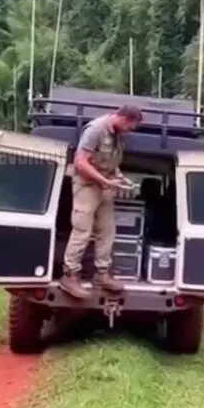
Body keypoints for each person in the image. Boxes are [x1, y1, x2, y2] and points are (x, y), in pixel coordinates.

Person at [59, 104, 143, 299]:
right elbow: (80, 163)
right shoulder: (95, 130)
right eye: (131, 127)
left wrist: (120, 178)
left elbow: (111, 162)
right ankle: (69, 276)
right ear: (124, 119)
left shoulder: (117, 136)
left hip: (105, 186)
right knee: (82, 230)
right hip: (87, 186)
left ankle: (102, 275)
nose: (130, 132)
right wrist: (105, 181)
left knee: (107, 230)